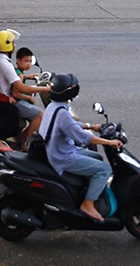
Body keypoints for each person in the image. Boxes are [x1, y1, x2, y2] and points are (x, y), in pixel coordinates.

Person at [39, 73, 126, 221]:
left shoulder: (54, 107)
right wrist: (109, 142)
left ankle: (87, 190)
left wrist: (91, 126)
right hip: (62, 157)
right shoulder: (62, 113)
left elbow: (70, 127)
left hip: (58, 150)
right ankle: (88, 204)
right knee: (104, 169)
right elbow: (84, 138)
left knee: (97, 157)